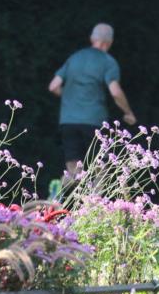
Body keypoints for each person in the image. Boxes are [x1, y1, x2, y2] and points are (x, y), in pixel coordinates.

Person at [49, 23, 137, 181]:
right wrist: (128, 112)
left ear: (92, 38)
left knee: (73, 168)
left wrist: (70, 98)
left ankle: (61, 192)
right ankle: (96, 195)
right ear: (109, 42)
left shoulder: (74, 58)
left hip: (68, 120)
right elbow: (115, 92)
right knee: (99, 167)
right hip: (93, 121)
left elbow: (53, 86)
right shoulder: (108, 61)